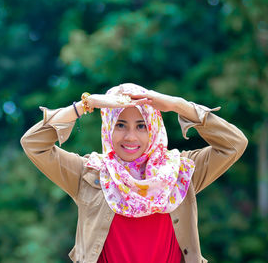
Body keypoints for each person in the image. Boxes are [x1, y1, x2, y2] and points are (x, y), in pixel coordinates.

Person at [20, 83, 248, 263]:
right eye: (120, 125)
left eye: (141, 125)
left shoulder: (181, 172)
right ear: (108, 127)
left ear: (154, 127)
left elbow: (234, 144)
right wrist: (84, 104)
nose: (130, 137)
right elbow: (33, 144)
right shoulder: (88, 174)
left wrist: (179, 105)